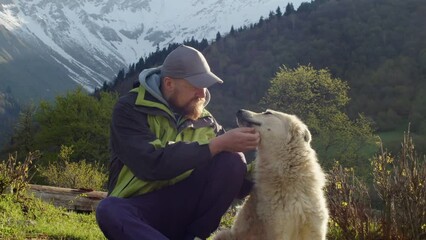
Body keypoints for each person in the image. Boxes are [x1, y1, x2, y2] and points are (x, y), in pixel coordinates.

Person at [96, 45, 260, 240]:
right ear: (169, 83)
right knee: (109, 210)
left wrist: (274, 165)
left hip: (183, 211)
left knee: (232, 160)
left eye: (205, 85)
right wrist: (216, 144)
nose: (202, 93)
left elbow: (236, 184)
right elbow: (151, 164)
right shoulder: (130, 110)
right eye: (195, 85)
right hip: (140, 209)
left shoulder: (206, 121)